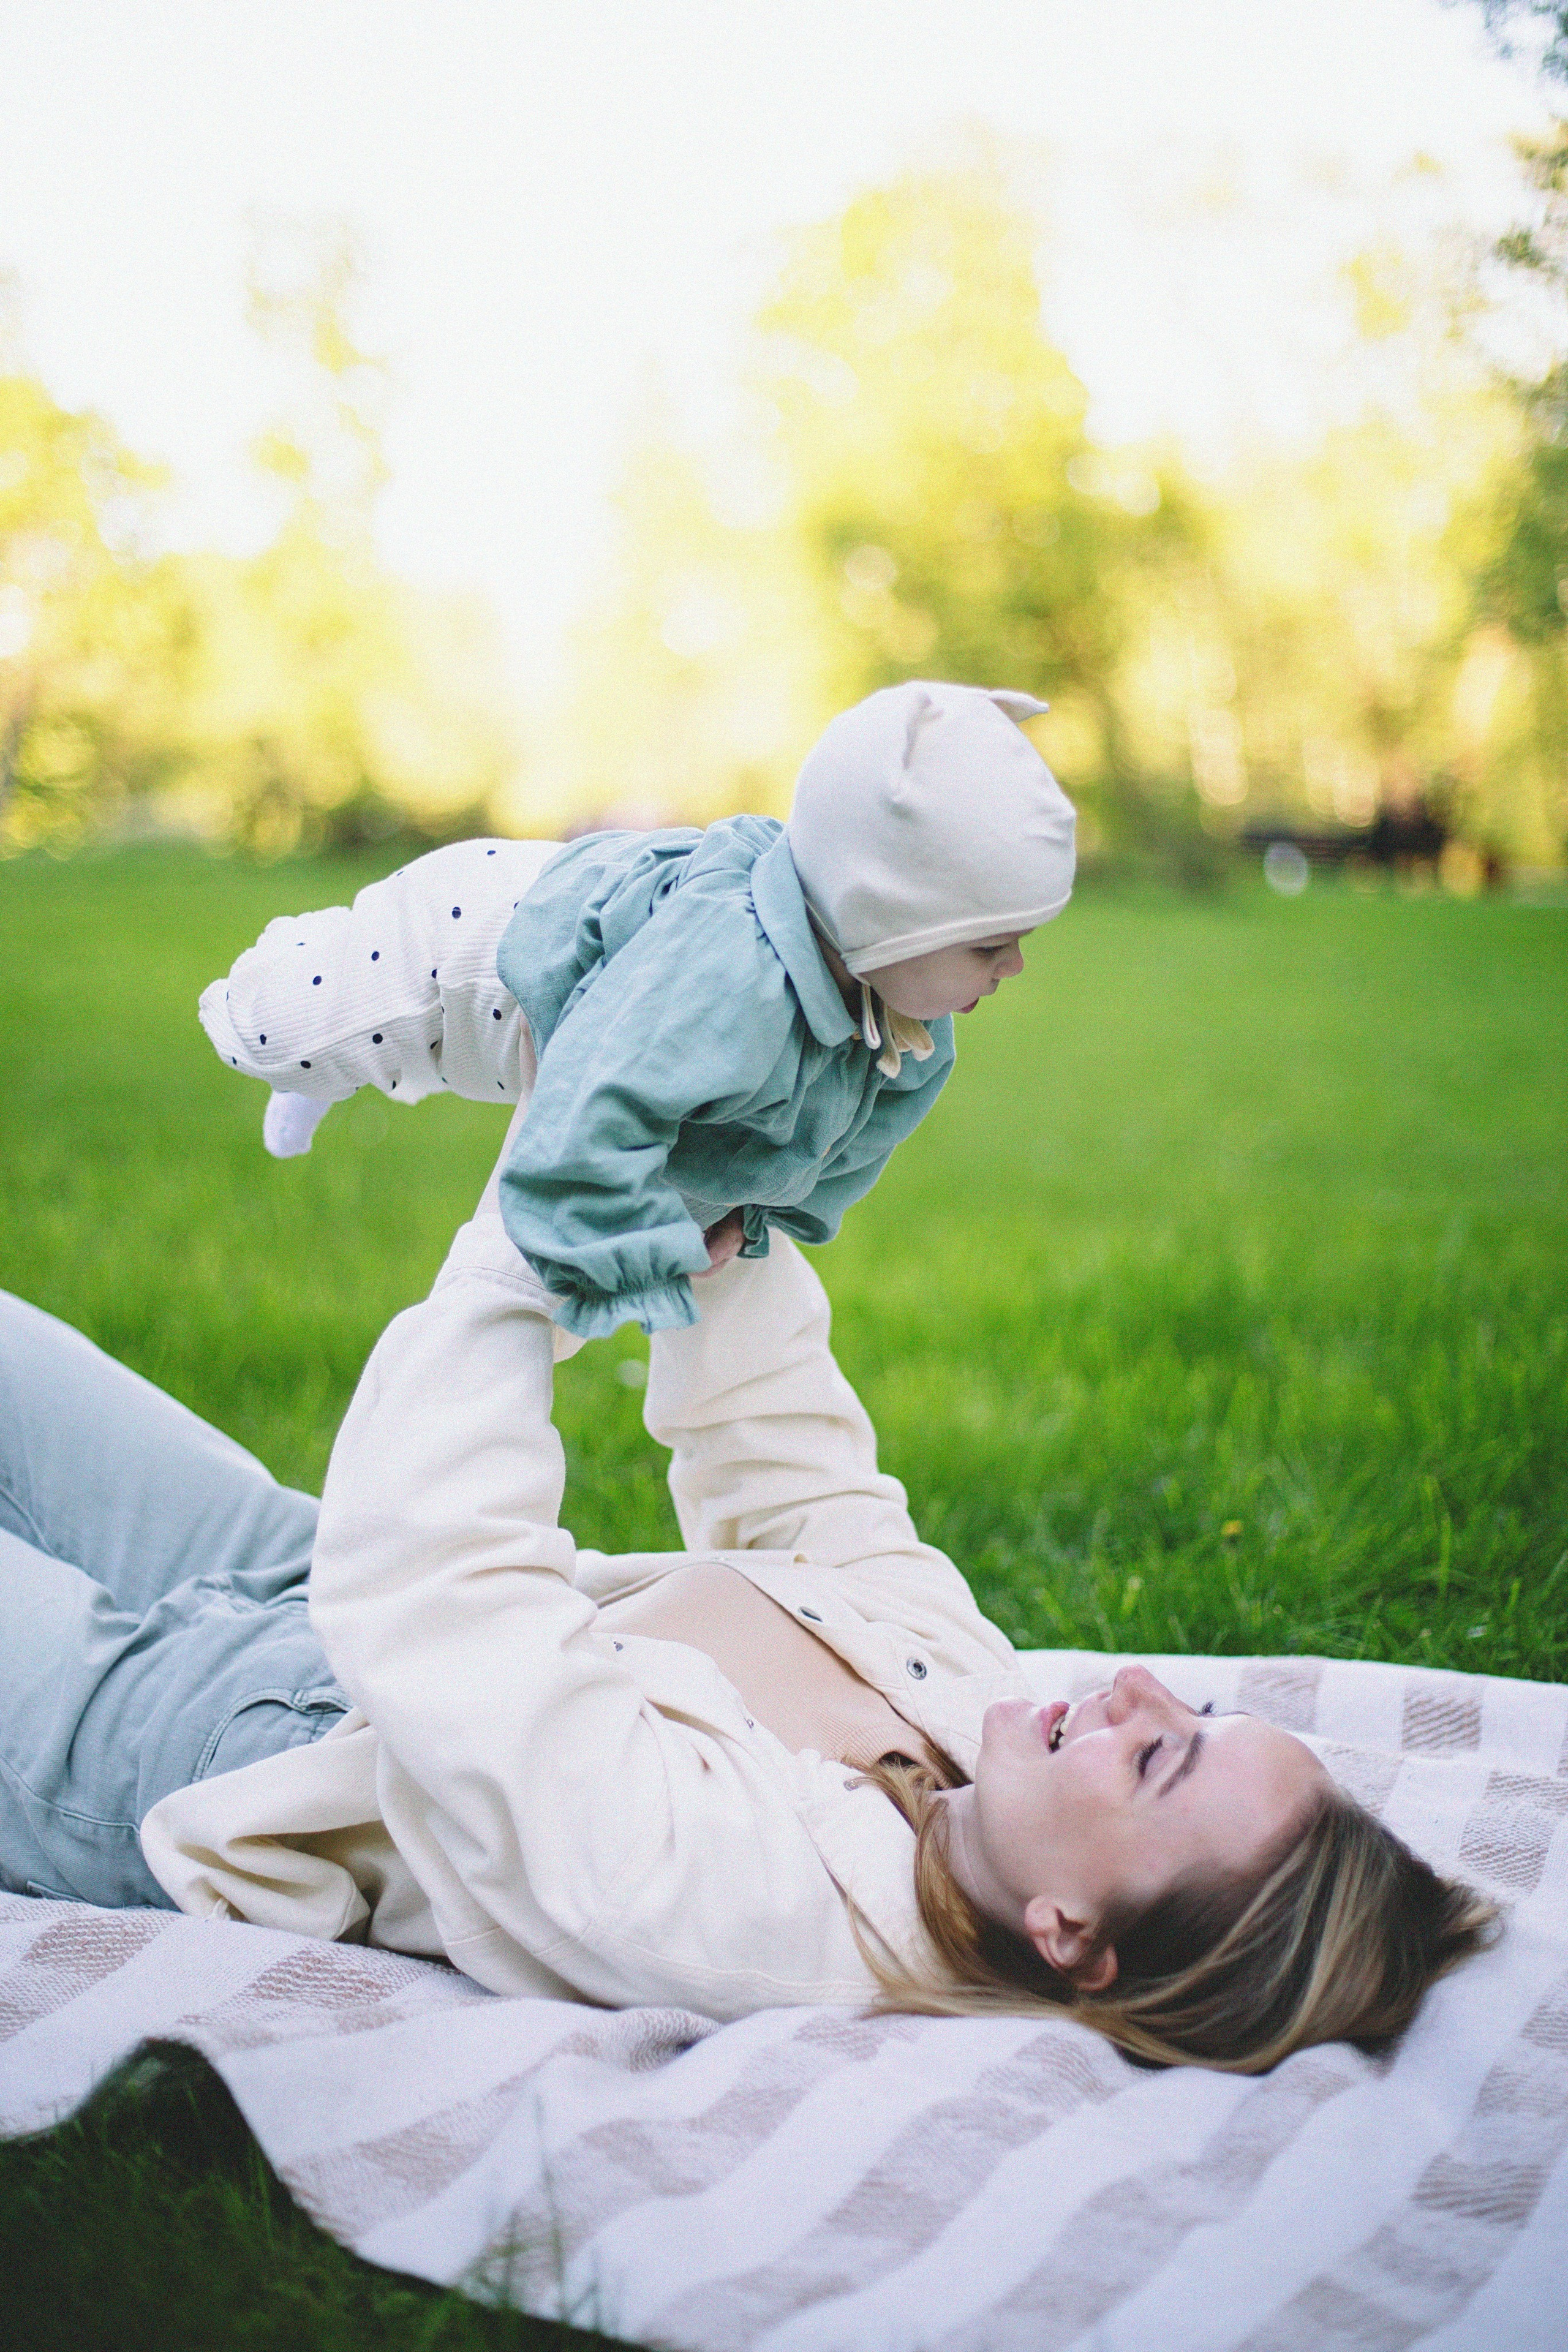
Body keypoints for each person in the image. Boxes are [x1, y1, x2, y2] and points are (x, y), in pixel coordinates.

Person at [0, 1111, 1494, 2073]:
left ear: (1068, 1937)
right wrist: (733, 1190)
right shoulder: (971, 1726)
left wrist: (523, 1262)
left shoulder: (748, 1916)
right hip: (288, 1579)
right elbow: (796, 1479)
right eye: (1192, 1706)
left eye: (1159, 1756)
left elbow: (445, 1602)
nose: (1135, 1691)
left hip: (178, 1743)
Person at [197, 680, 1076, 1338]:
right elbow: (584, 1125)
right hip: (471, 952)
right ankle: (298, 1005)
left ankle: (337, 1069)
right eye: (989, 946)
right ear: (882, 914)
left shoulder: (908, 1030)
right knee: (281, 1028)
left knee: (383, 1060)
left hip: (581, 1021)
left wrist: (744, 1224)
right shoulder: (725, 978)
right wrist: (637, 1266)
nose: (1019, 968)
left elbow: (819, 1151)